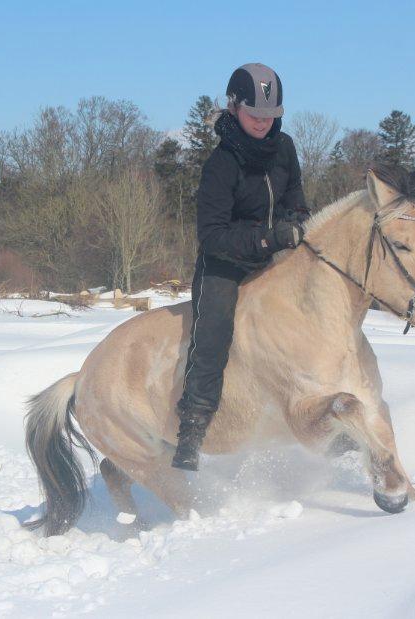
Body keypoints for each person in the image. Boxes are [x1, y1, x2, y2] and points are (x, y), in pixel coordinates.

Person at [172, 63, 310, 471]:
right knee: (212, 334)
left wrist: (297, 221)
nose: (264, 123)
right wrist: (268, 239)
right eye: (255, 115)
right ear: (233, 107)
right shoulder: (220, 163)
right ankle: (193, 428)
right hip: (225, 262)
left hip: (276, 254)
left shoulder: (284, 148)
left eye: (271, 116)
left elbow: (296, 197)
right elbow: (212, 235)